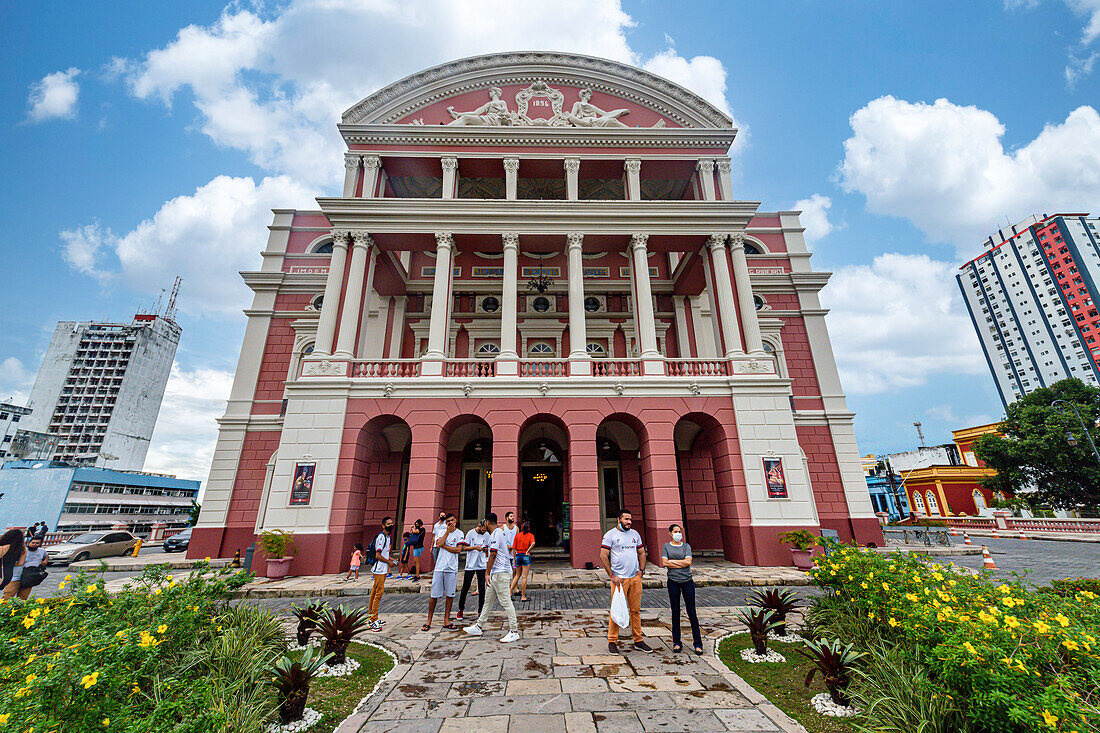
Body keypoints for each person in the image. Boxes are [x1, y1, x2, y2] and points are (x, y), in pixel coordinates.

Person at [463, 512, 520, 643]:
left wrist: (487, 573)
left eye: (485, 523)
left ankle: (514, 631)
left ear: (488, 522)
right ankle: (479, 625)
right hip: (496, 573)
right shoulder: (497, 533)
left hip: (500, 573)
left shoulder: (496, 533)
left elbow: (493, 554)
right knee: (488, 601)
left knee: (506, 601)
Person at [600, 509, 649, 654]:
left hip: (634, 578)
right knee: (616, 609)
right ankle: (612, 641)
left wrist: (641, 571)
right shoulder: (610, 535)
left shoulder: (635, 534)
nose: (629, 522)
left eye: (630, 519)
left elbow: (641, 552)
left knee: (635, 610)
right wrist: (611, 576)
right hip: (619, 580)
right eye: (626, 519)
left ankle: (638, 640)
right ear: (618, 519)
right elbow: (603, 555)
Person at [661, 524, 703, 654]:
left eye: (679, 531)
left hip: (687, 582)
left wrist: (673, 562)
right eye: (675, 531)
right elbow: (664, 563)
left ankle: (698, 643)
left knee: (692, 612)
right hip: (673, 582)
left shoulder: (686, 546)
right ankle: (677, 642)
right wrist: (681, 562)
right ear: (670, 533)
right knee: (675, 612)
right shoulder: (666, 546)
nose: (678, 533)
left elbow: (688, 562)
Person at [423, 514, 465, 631]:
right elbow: (438, 544)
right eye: (448, 521)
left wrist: (444, 546)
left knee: (450, 594)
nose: (450, 523)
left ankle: (446, 619)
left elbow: (458, 550)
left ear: (455, 520)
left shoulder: (460, 534)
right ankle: (429, 620)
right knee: (434, 595)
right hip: (439, 567)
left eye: (452, 520)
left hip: (451, 568)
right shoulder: (442, 532)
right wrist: (447, 532)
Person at [366, 517, 397, 631]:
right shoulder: (382, 537)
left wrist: (391, 560)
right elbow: (378, 555)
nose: (391, 525)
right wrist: (389, 562)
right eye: (388, 524)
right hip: (379, 569)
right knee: (378, 593)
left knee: (375, 591)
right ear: (383, 526)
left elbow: (384, 553)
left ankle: (372, 616)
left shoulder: (388, 538)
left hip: (383, 568)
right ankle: (373, 619)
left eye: (392, 523)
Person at [457, 520, 488, 620]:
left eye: (485, 530)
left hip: (481, 564)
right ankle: (461, 609)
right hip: (470, 564)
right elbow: (464, 548)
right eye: (482, 530)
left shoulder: (487, 534)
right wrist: (475, 547)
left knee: (482, 588)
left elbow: (489, 547)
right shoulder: (471, 533)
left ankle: (480, 610)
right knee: (466, 587)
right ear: (479, 526)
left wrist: (485, 549)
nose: (484, 532)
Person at [4, 535, 47, 601]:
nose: (34, 544)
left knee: (23, 598)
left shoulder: (42, 551)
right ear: (28, 543)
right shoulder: (21, 550)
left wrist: (45, 561)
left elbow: (46, 556)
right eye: (33, 543)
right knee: (7, 596)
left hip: (29, 578)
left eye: (37, 543)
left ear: (40, 544)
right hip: (15, 577)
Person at [511, 522, 536, 602]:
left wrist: (514, 558)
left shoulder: (517, 535)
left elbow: (513, 548)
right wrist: (528, 551)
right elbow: (533, 543)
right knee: (524, 577)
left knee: (517, 575)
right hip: (525, 555)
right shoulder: (530, 535)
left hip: (518, 555)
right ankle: (523, 596)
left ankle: (509, 593)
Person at [0, 529, 26, 603]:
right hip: (7, 576)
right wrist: (9, 563)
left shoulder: (3, 547)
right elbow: (20, 563)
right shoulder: (22, 549)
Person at [501, 511, 519, 595]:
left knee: (515, 570)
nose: (513, 518)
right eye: (511, 516)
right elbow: (501, 539)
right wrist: (506, 545)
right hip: (506, 552)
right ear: (506, 518)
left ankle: (515, 587)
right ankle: (506, 587)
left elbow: (518, 539)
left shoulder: (516, 528)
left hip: (514, 552)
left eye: (513, 516)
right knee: (506, 571)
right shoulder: (503, 528)